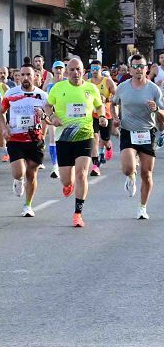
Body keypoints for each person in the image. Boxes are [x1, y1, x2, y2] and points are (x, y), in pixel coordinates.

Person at [44, 58, 103, 228]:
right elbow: (47, 105)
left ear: (83, 71)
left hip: (85, 136)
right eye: (72, 70)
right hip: (64, 138)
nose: (75, 73)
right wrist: (53, 116)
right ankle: (67, 185)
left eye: (78, 69)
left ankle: (78, 213)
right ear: (67, 72)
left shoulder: (91, 88)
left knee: (82, 174)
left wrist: (103, 116)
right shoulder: (58, 88)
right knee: (66, 180)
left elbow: (99, 106)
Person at [114, 53, 162, 219]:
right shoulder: (123, 87)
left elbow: (162, 111)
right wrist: (114, 117)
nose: (139, 69)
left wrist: (156, 108)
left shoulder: (153, 89)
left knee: (147, 174)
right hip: (128, 131)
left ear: (146, 69)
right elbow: (113, 104)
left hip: (147, 132)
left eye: (141, 66)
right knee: (127, 168)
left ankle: (142, 207)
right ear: (130, 69)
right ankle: (130, 176)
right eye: (135, 67)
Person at [0, 64, 48, 217]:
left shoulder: (42, 96)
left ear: (35, 76)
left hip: (35, 139)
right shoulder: (11, 93)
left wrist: (43, 123)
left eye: (28, 74)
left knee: (32, 173)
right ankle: (18, 180)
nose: (25, 78)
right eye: (22, 75)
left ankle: (28, 205)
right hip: (15, 138)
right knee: (19, 172)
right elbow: (0, 112)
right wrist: (4, 128)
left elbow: (48, 118)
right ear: (18, 76)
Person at [89, 59, 117, 173]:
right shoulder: (87, 81)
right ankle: (95, 166)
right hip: (92, 114)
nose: (94, 71)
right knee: (94, 138)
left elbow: (117, 96)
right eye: (92, 69)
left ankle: (108, 147)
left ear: (101, 69)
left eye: (97, 69)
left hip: (106, 114)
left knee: (105, 139)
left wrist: (107, 99)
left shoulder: (107, 81)